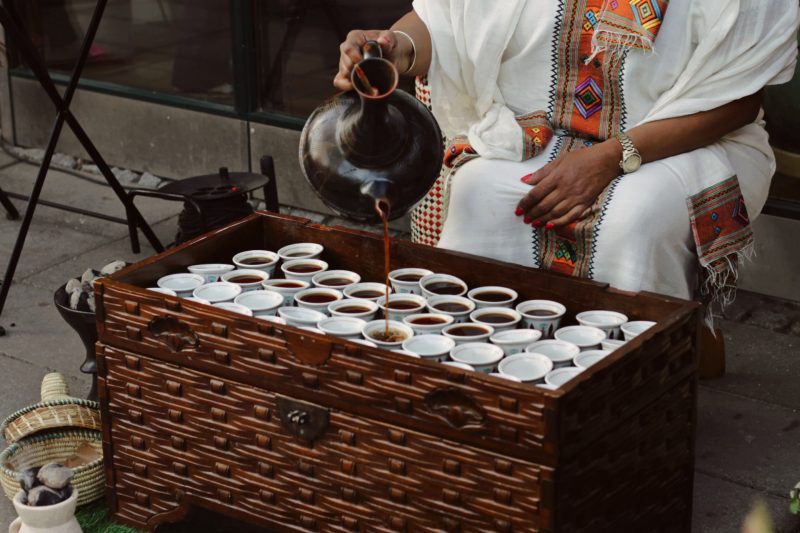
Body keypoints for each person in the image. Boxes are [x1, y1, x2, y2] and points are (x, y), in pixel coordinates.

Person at [334, 0, 799, 306]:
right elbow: (445, 19)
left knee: (634, 215)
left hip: (681, 142)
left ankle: (635, 383)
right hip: (541, 133)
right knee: (480, 191)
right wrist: (393, 47)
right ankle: (484, 374)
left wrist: (610, 159)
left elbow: (739, 102)